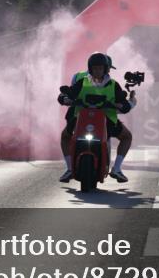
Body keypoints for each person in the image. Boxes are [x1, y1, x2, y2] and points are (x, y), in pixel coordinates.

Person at [58, 52, 136, 183]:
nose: (97, 71)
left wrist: (121, 105)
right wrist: (64, 98)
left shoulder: (114, 85)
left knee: (127, 136)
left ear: (105, 69)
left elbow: (124, 103)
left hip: (107, 121)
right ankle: (70, 169)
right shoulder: (82, 82)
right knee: (65, 136)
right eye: (94, 68)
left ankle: (116, 169)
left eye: (100, 68)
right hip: (81, 120)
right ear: (90, 68)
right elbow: (69, 94)